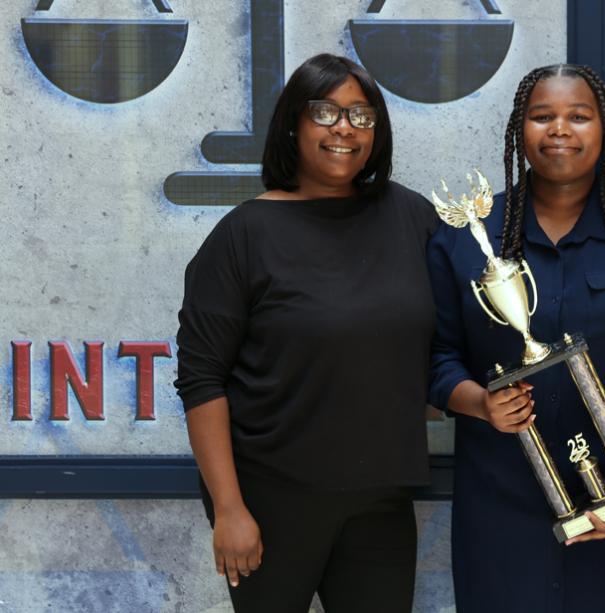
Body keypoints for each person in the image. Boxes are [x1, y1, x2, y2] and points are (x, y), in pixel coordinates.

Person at [428, 64, 605, 612]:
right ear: (519, 129)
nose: (559, 130)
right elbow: (435, 353)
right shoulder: (469, 239)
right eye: (542, 116)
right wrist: (479, 402)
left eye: (579, 116)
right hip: (500, 504)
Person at [174, 53, 436, 612]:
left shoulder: (411, 218)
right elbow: (202, 380)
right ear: (293, 124)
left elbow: (451, 334)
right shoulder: (243, 235)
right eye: (325, 112)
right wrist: (228, 509)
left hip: (381, 501)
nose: (345, 128)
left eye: (361, 115)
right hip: (269, 500)